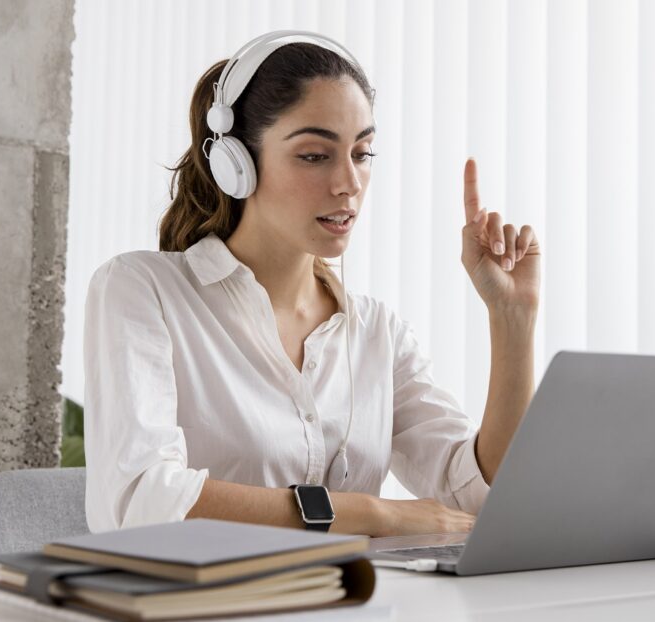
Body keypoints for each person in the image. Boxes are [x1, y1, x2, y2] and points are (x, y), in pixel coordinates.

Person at [83, 32, 540, 537]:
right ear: (235, 164)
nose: (349, 183)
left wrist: (511, 318)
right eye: (315, 155)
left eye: (362, 153)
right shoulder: (142, 291)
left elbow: (480, 494)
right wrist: (373, 513)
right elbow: (142, 500)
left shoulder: (376, 334)